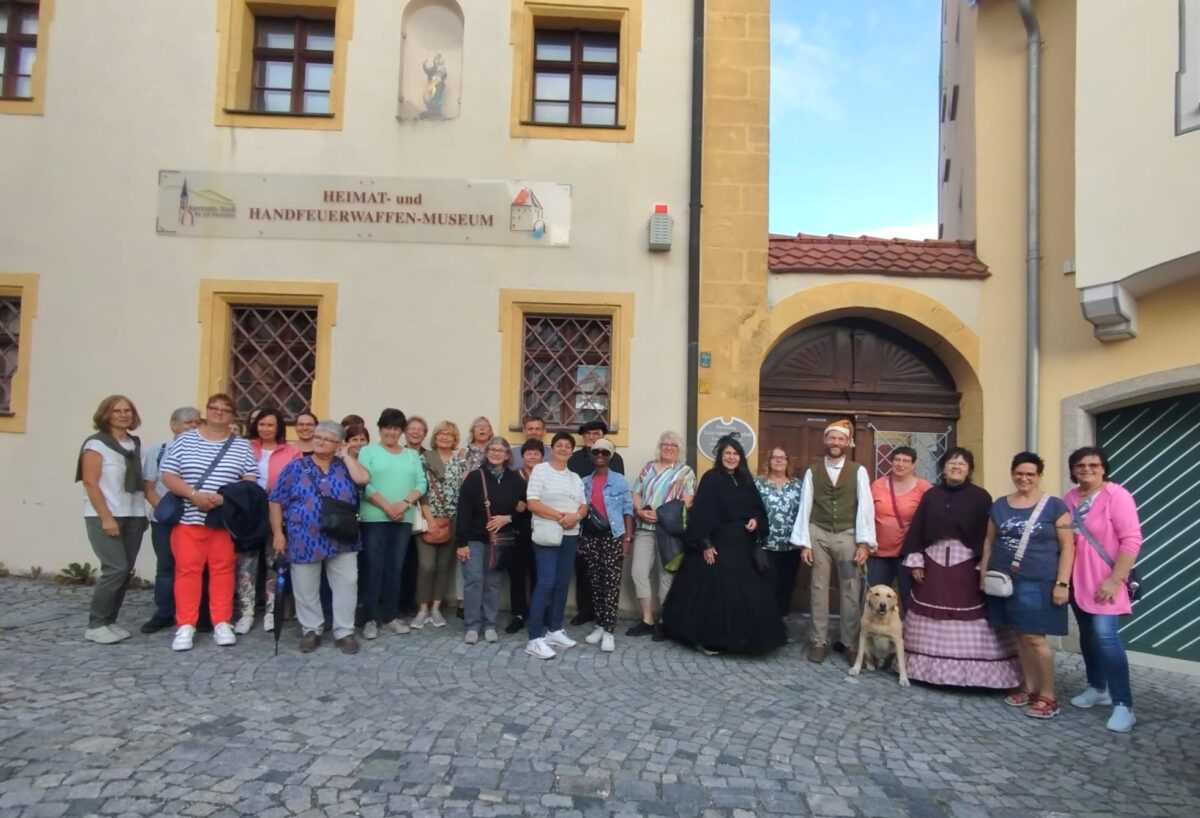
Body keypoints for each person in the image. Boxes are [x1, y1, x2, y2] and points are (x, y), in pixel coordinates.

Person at [899, 447, 1021, 688]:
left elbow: (988, 536)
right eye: (952, 463)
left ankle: (973, 676)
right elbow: (918, 530)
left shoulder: (980, 497)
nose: (956, 467)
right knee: (928, 611)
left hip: (966, 563)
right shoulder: (931, 496)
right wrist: (915, 561)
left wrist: (982, 566)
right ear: (943, 467)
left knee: (972, 613)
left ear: (970, 469)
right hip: (933, 562)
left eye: (962, 464)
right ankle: (926, 672)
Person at [662, 435, 786, 655]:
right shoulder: (711, 478)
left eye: (735, 454)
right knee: (715, 594)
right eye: (727, 453)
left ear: (741, 457)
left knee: (746, 594)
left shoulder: (746, 480)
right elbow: (702, 513)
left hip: (743, 546)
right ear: (720, 456)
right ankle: (707, 639)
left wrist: (755, 521)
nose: (731, 457)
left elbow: (758, 509)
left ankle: (743, 641)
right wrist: (705, 544)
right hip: (717, 544)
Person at [160, 393, 259, 651]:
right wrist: (193, 495)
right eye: (214, 408)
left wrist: (224, 497)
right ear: (206, 411)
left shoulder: (241, 445)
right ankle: (186, 625)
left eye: (225, 409)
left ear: (232, 415)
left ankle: (221, 621)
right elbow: (169, 475)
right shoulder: (184, 440)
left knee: (223, 571)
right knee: (187, 571)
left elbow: (250, 479)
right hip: (189, 517)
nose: (219, 412)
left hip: (223, 520)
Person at [980, 452, 1075, 719]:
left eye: (1030, 474)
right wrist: (984, 574)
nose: (1024, 478)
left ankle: (1048, 695)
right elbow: (989, 541)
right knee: (1018, 635)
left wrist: (1062, 583)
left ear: (1039, 476)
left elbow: (1068, 547)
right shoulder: (1000, 505)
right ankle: (1030, 686)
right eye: (1020, 473)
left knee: (1035, 637)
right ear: (1012, 473)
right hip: (1005, 580)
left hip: (1039, 580)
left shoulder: (1055, 506)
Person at [269, 420, 370, 654]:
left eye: (326, 439)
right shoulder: (295, 467)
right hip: (304, 536)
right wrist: (277, 534)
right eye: (318, 437)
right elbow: (276, 500)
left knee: (347, 583)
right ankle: (311, 629)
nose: (320, 442)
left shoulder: (345, 466)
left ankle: (344, 631)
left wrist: (346, 456)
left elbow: (363, 479)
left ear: (338, 444)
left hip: (342, 536)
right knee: (306, 586)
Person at [1063, 446, 1143, 733]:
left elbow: (1131, 540)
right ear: (1072, 469)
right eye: (1080, 464)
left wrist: (1114, 579)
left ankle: (1124, 704)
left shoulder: (1116, 495)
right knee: (1088, 636)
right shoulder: (1069, 499)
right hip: (1077, 581)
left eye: (1093, 465)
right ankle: (1098, 688)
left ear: (1103, 468)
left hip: (1105, 582)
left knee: (1106, 637)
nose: (1087, 469)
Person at [788, 419, 876, 666]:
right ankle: (819, 640)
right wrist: (804, 543)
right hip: (819, 534)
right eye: (832, 438)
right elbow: (805, 505)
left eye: (841, 439)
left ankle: (850, 642)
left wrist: (863, 542)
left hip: (848, 535)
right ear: (825, 440)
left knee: (850, 589)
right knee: (818, 588)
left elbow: (865, 506)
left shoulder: (858, 471)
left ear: (847, 442)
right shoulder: (813, 471)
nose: (836, 442)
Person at [76, 395, 148, 644]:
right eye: (116, 411)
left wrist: (143, 513)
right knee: (114, 568)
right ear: (106, 414)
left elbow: (139, 484)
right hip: (105, 514)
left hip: (133, 514)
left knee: (124, 570)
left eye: (127, 410)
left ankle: (110, 621)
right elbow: (90, 483)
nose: (123, 415)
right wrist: (106, 517)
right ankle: (95, 623)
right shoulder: (96, 445)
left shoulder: (133, 444)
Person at [357, 408, 427, 640]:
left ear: (401, 431)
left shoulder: (411, 455)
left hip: (402, 518)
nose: (391, 432)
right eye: (387, 427)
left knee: (395, 569)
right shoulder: (368, 451)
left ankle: (390, 615)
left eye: (396, 428)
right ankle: (369, 618)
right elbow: (363, 483)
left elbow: (421, 483)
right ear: (380, 429)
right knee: (373, 568)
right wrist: (387, 506)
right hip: (375, 517)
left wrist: (404, 503)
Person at [455, 437, 526, 644]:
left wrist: (508, 517)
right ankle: (472, 625)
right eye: (492, 449)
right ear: (487, 453)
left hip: (500, 540)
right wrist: (461, 542)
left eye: (501, 450)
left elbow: (525, 507)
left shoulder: (515, 479)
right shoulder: (475, 477)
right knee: (474, 581)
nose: (496, 453)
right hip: (475, 538)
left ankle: (490, 624)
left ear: (507, 455)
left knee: (493, 583)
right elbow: (464, 510)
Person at [237, 407, 301, 634]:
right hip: (249, 514)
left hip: (278, 513)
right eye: (262, 424)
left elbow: (297, 481)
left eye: (270, 425)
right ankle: (246, 612)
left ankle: (272, 612)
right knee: (247, 565)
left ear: (279, 427)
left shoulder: (291, 451)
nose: (265, 428)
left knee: (275, 563)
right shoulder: (243, 447)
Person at [139, 406, 203, 634]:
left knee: (196, 567)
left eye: (197, 422)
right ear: (174, 425)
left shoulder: (204, 449)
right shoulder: (159, 450)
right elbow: (148, 487)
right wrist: (166, 510)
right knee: (166, 567)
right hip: (165, 520)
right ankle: (164, 611)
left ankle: (196, 613)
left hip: (195, 517)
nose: (194, 426)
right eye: (188, 423)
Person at [524, 431, 587, 660]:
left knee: (562, 583)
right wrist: (560, 516)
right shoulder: (541, 471)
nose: (564, 449)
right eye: (559, 445)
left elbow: (583, 506)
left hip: (570, 535)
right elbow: (532, 502)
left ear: (572, 451)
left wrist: (576, 516)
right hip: (547, 533)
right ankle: (534, 638)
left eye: (568, 446)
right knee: (546, 582)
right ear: (552, 448)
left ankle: (554, 629)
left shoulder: (575, 477)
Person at [627, 431, 695, 638]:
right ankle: (647, 619)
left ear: (679, 449)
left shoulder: (685, 471)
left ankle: (665, 621)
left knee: (667, 576)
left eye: (673, 445)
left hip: (669, 531)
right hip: (644, 527)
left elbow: (689, 500)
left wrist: (662, 515)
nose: (668, 448)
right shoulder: (648, 467)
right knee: (638, 572)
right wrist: (639, 511)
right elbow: (636, 492)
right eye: (665, 444)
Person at [566, 420, 625, 627]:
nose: (592, 436)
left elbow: (620, 496)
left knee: (607, 575)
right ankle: (585, 610)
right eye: (589, 433)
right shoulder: (573, 459)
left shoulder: (616, 459)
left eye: (597, 433)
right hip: (581, 521)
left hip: (609, 527)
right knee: (583, 568)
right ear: (583, 437)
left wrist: (625, 535)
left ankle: (605, 620)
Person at [578, 439, 634, 652]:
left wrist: (627, 539)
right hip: (591, 537)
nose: (600, 455)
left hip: (613, 536)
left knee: (611, 584)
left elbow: (628, 510)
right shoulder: (584, 482)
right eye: (596, 451)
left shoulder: (619, 481)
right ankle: (600, 624)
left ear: (610, 456)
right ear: (591, 455)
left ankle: (609, 630)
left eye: (604, 452)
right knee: (595, 582)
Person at [411, 420, 468, 629]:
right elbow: (421, 489)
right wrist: (430, 519)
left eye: (449, 435)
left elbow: (465, 492)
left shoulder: (461, 462)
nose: (445, 437)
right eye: (441, 434)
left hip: (452, 519)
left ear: (455, 439)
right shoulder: (424, 458)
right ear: (435, 437)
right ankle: (422, 609)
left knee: (444, 567)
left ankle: (436, 608)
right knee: (426, 566)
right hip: (428, 518)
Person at [869, 446, 932, 608]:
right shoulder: (878, 485)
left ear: (913, 465)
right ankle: (872, 633)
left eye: (906, 461)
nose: (900, 464)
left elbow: (930, 519)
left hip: (908, 555)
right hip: (879, 553)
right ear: (891, 462)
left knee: (909, 599)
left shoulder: (924, 488)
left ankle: (910, 632)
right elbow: (866, 514)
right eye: (897, 460)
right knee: (874, 599)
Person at [754, 445, 805, 620]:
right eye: (774, 457)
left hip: (790, 546)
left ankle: (781, 622)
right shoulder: (758, 483)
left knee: (786, 585)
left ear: (788, 462)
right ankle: (766, 624)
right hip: (765, 544)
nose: (778, 460)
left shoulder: (798, 485)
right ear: (768, 461)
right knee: (765, 585)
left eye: (782, 457)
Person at [507, 439, 544, 634]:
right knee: (518, 575)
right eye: (529, 453)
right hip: (518, 531)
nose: (532, 456)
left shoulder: (546, 475)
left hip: (541, 532)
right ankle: (518, 614)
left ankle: (538, 612)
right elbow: (504, 499)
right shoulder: (514, 477)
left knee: (539, 575)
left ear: (541, 456)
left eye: (536, 453)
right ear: (522, 456)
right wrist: (515, 506)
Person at [398, 416, 430, 615]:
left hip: (424, 513)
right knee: (398, 559)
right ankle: (396, 600)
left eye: (420, 429)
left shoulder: (431, 456)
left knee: (416, 561)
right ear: (405, 432)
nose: (415, 432)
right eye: (411, 428)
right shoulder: (397, 453)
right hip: (400, 510)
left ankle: (412, 601)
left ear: (425, 434)